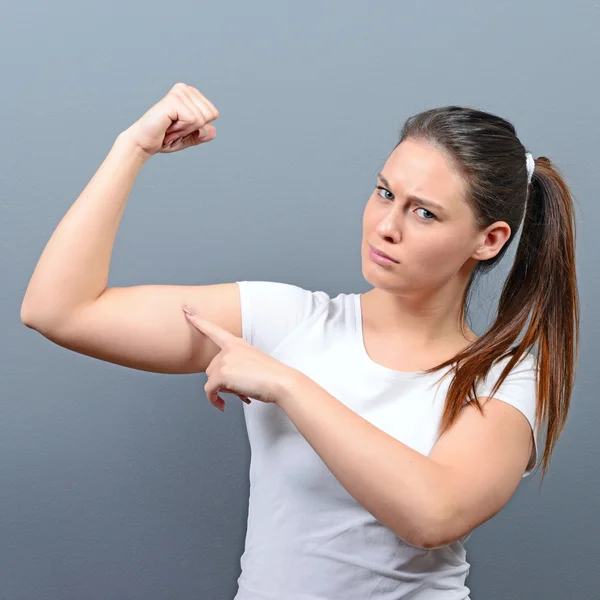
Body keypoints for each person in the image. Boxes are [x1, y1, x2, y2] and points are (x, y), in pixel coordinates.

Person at [21, 83, 580, 599]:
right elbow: (59, 311)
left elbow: (433, 516)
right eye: (385, 193)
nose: (387, 225)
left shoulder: (505, 377)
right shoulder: (285, 320)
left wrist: (288, 384)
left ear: (488, 239)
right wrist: (131, 149)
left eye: (424, 213)